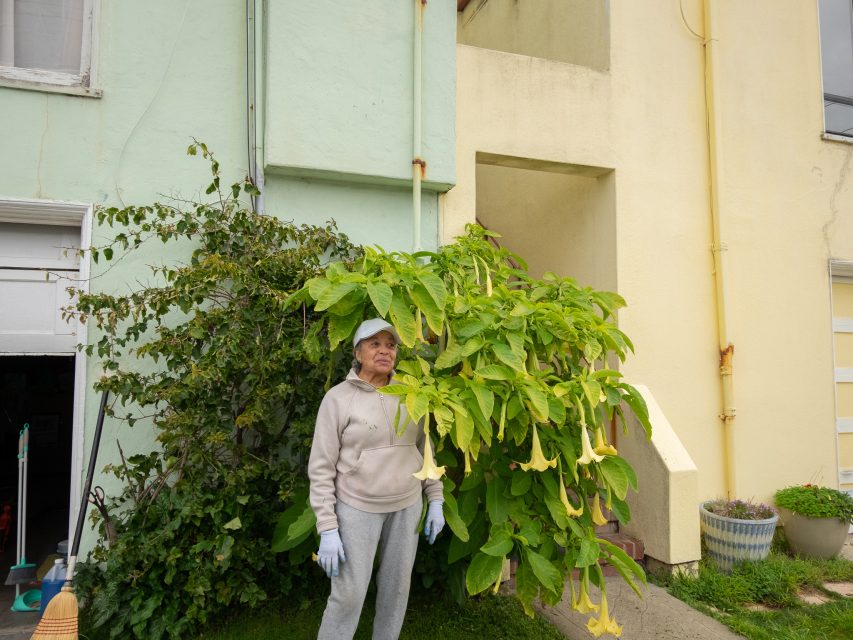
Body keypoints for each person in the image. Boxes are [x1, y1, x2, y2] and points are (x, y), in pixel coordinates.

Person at [308, 318, 445, 640]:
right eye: (375, 344)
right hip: (357, 508)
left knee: (397, 590)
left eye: (390, 345)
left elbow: (424, 450)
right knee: (349, 594)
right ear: (358, 353)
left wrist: (435, 498)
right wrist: (327, 528)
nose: (384, 351)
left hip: (406, 505)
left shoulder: (412, 394)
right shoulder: (338, 399)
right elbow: (321, 467)